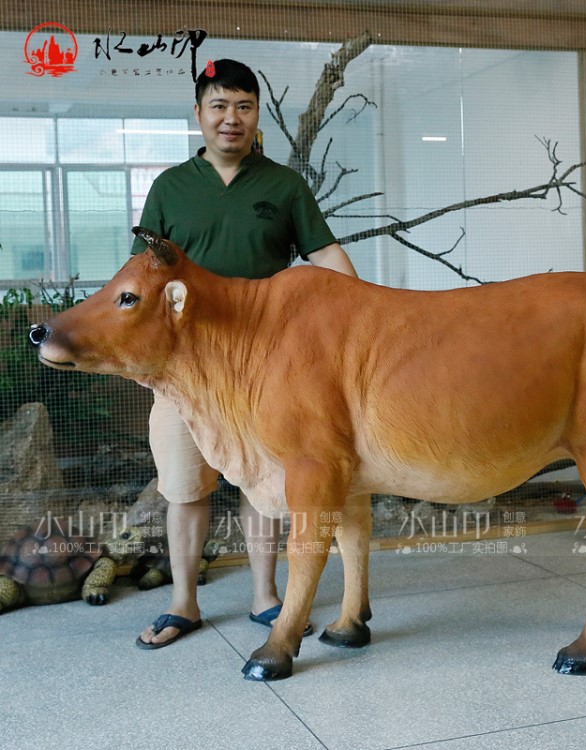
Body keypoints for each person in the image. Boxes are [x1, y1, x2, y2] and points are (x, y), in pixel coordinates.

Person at [134, 58, 358, 648]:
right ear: (199, 115)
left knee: (262, 486)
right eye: (219, 106)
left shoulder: (284, 185)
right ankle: (184, 602)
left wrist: (367, 315)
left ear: (256, 115)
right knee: (184, 487)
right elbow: (141, 274)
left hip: (266, 370)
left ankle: (265, 595)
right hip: (185, 370)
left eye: (243, 106)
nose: (230, 119)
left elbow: (327, 256)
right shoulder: (169, 188)